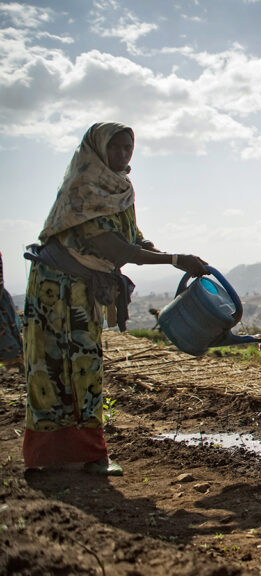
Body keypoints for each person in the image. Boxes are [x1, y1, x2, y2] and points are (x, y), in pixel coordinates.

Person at [22, 122, 208, 475]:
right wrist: (173, 259)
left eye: (128, 147)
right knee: (51, 369)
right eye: (116, 148)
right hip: (56, 291)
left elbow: (133, 238)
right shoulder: (84, 188)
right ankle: (48, 458)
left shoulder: (119, 188)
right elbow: (114, 247)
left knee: (85, 366)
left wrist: (161, 252)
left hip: (80, 289)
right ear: (97, 149)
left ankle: (90, 453)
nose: (123, 155)